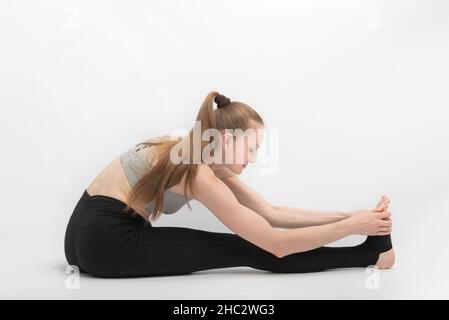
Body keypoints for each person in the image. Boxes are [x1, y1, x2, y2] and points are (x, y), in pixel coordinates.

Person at [64, 91, 394, 278]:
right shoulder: (197, 173)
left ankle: (365, 250)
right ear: (226, 139)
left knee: (247, 242)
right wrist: (353, 226)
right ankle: (369, 257)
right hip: (108, 245)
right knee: (252, 247)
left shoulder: (190, 150)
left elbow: (271, 212)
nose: (252, 158)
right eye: (251, 148)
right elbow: (275, 243)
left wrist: (349, 218)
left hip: (78, 237)